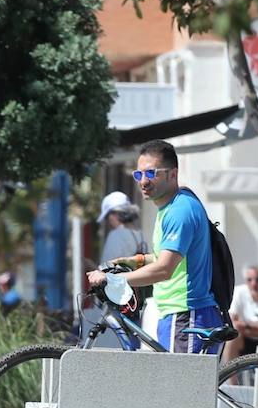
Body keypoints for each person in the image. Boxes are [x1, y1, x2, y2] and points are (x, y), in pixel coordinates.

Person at [85, 139, 224, 354]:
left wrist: (113, 278)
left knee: (178, 388)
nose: (143, 181)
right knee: (174, 386)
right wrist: (134, 261)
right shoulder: (168, 209)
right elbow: (165, 257)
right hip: (176, 314)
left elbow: (164, 269)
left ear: (173, 174)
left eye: (151, 173)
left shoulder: (180, 210)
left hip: (187, 315)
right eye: (138, 175)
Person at [98, 191, 147, 266]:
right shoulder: (141, 234)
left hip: (121, 277)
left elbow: (105, 268)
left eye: (107, 216)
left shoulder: (115, 235)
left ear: (113, 214)